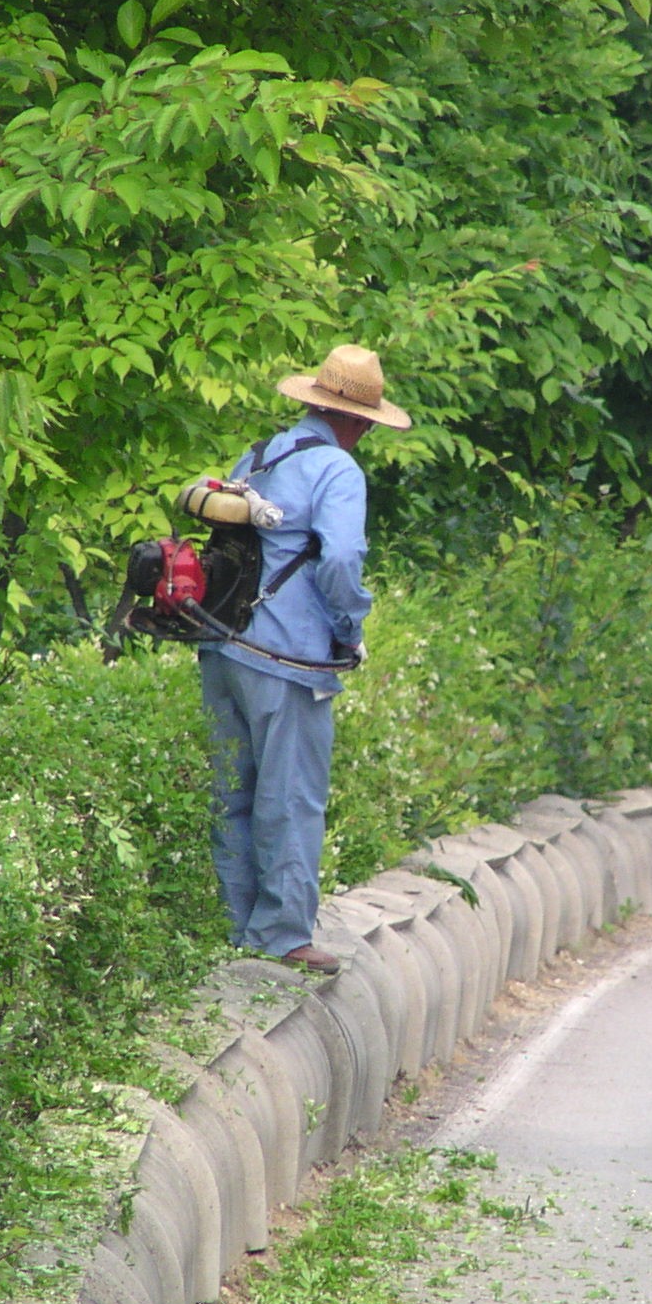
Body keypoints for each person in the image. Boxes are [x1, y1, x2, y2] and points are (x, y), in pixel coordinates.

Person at [199, 344, 410, 974]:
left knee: (231, 793)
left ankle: (236, 930)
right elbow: (342, 561)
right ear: (363, 420)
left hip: (221, 644)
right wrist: (350, 628)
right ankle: (284, 935)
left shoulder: (260, 454)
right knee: (290, 797)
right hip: (286, 658)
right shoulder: (340, 471)